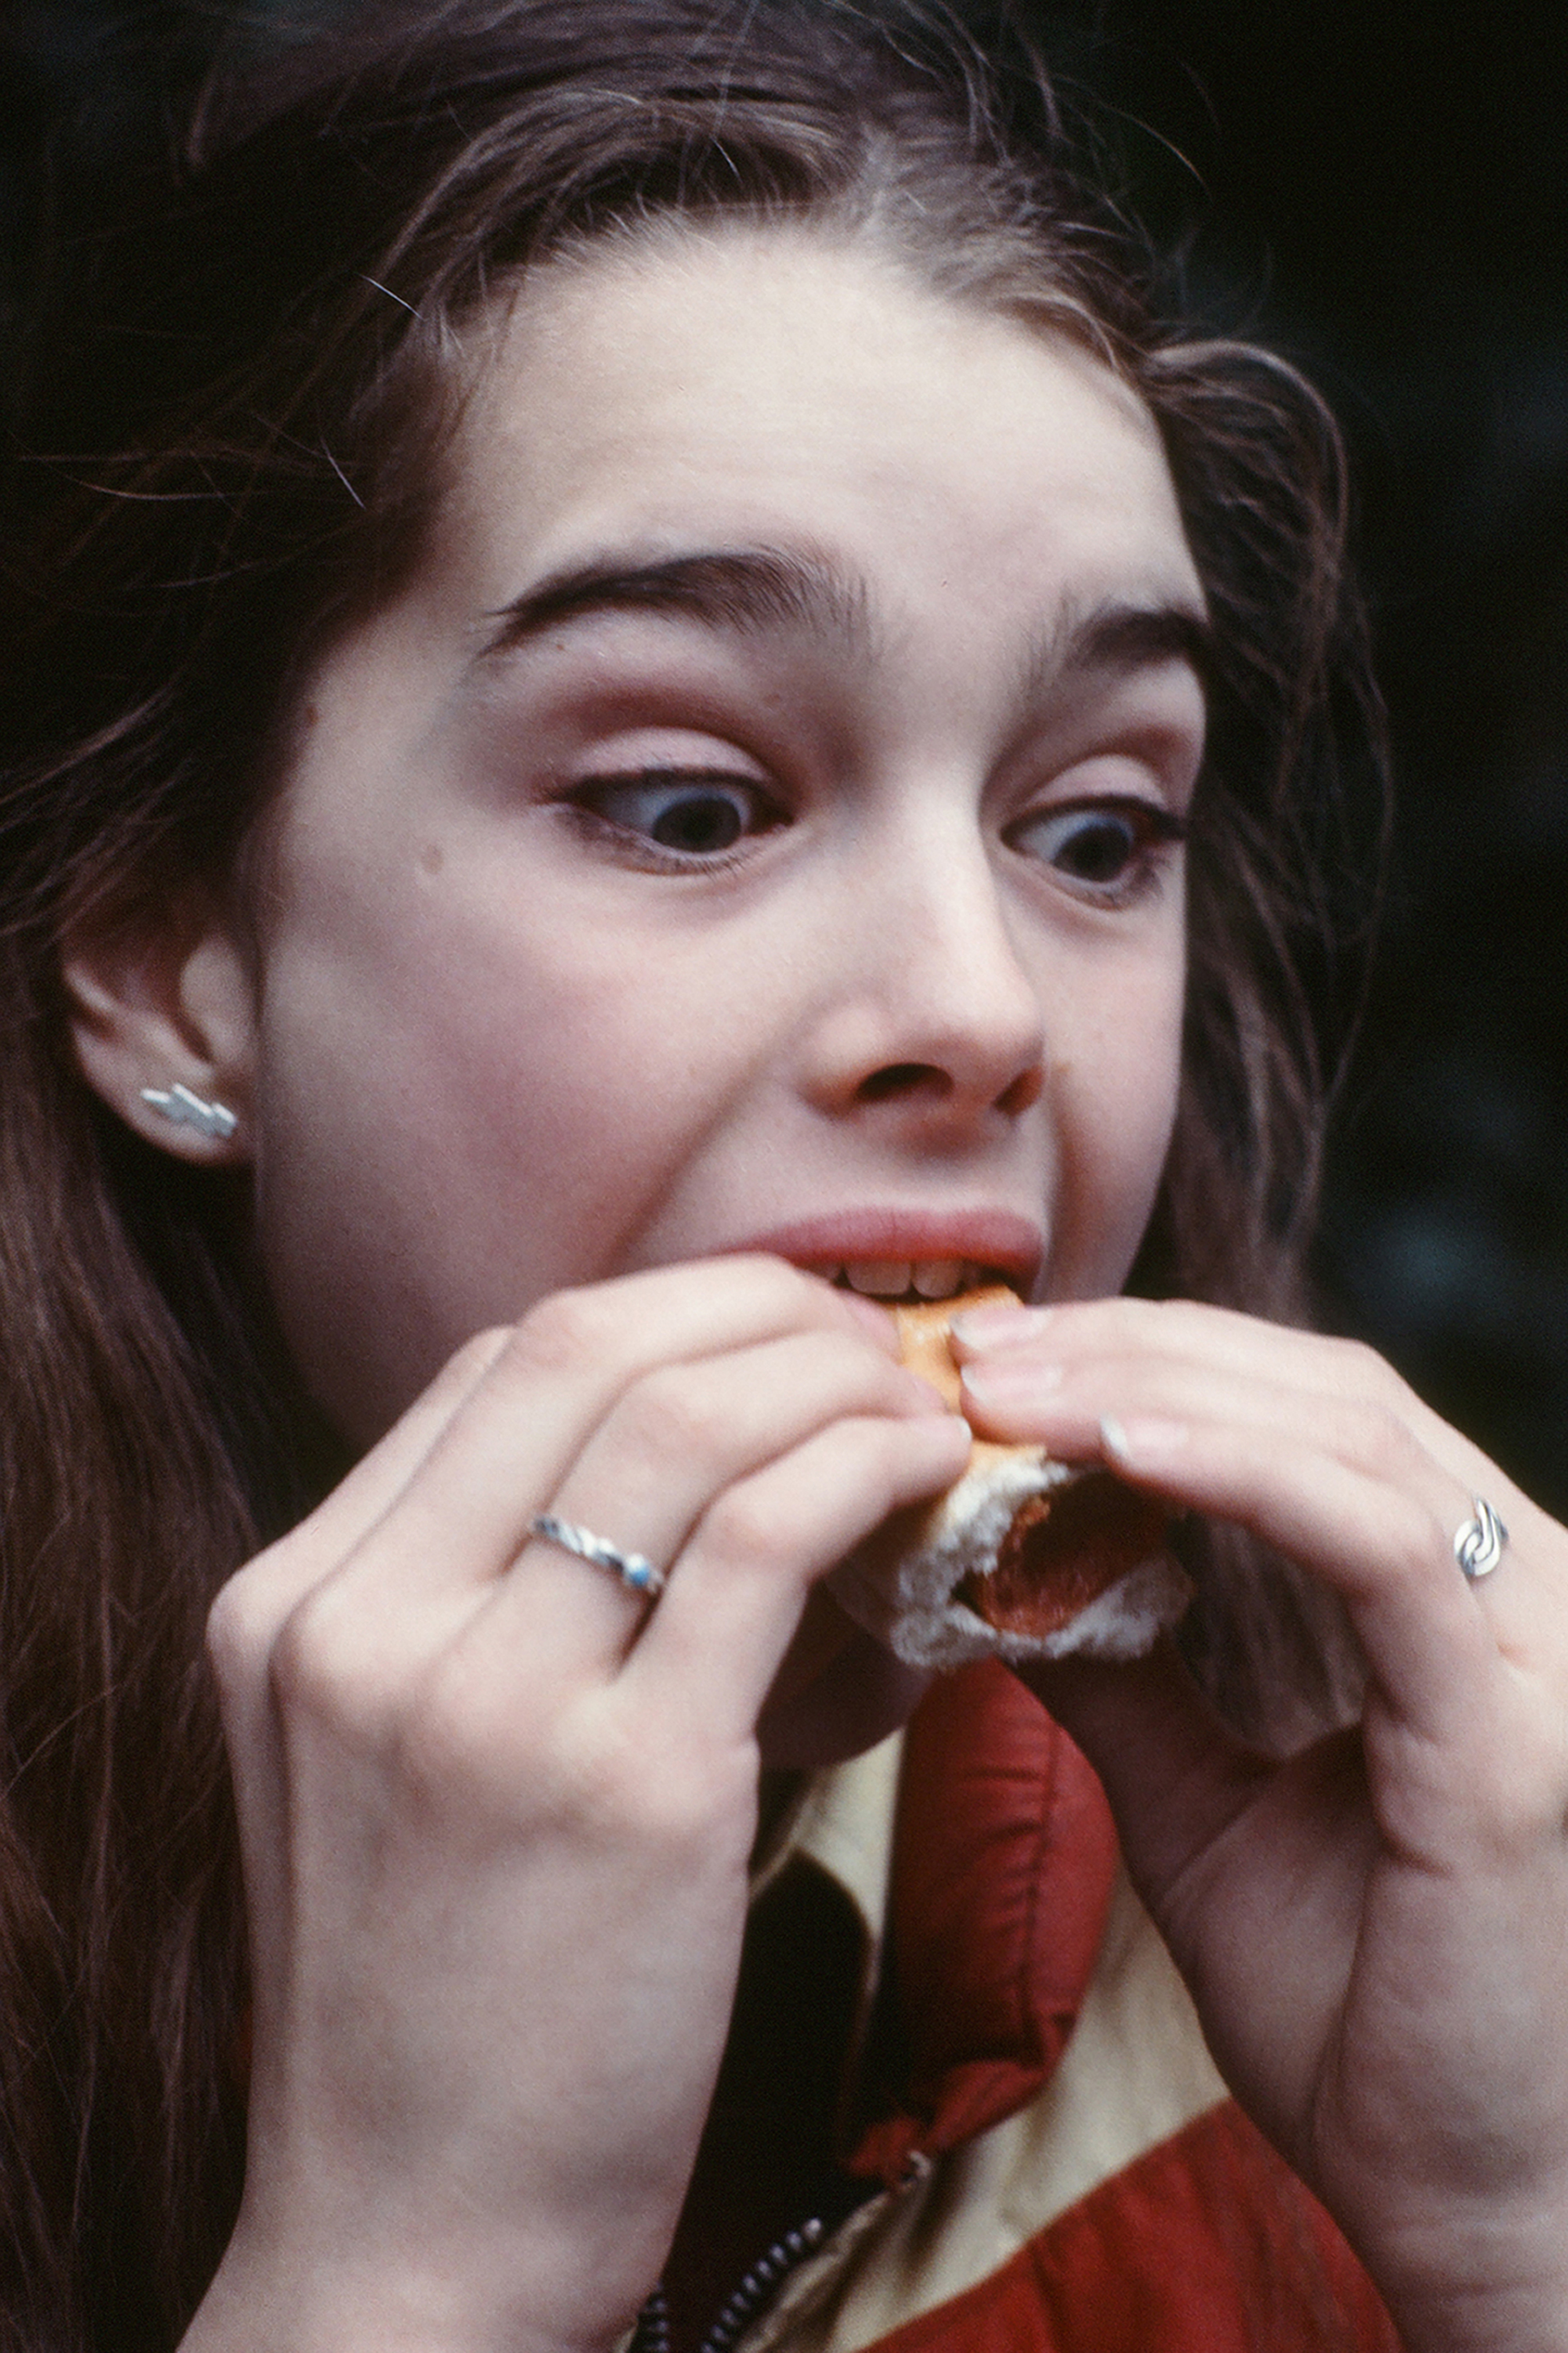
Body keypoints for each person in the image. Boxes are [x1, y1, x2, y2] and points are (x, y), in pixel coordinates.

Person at [2, 2, 1565, 2347]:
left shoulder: (1370, 1977)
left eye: (1094, 832)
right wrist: (413, 2283)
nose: (987, 1004)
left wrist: (1518, 2241)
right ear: (167, 969)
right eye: (690, 805)